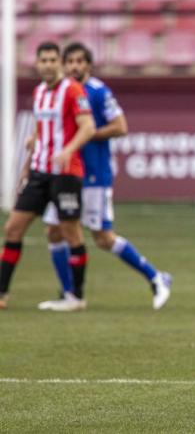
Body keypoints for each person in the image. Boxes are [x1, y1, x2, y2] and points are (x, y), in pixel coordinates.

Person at [36, 43, 172, 312]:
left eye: (80, 61)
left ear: (88, 65)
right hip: (65, 174)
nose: (74, 66)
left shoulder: (98, 92)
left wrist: (85, 134)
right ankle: (68, 293)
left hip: (94, 174)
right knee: (53, 230)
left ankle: (156, 277)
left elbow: (121, 126)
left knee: (102, 237)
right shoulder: (60, 92)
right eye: (70, 61)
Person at [0, 42, 95, 309]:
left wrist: (68, 150)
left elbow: (87, 127)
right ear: (37, 64)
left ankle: (76, 296)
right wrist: (27, 165)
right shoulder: (40, 92)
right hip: (40, 172)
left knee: (70, 232)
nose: (49, 65)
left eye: (53, 60)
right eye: (44, 60)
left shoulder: (73, 90)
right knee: (13, 228)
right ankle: (2, 293)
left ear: (61, 64)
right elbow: (42, 131)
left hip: (65, 173)